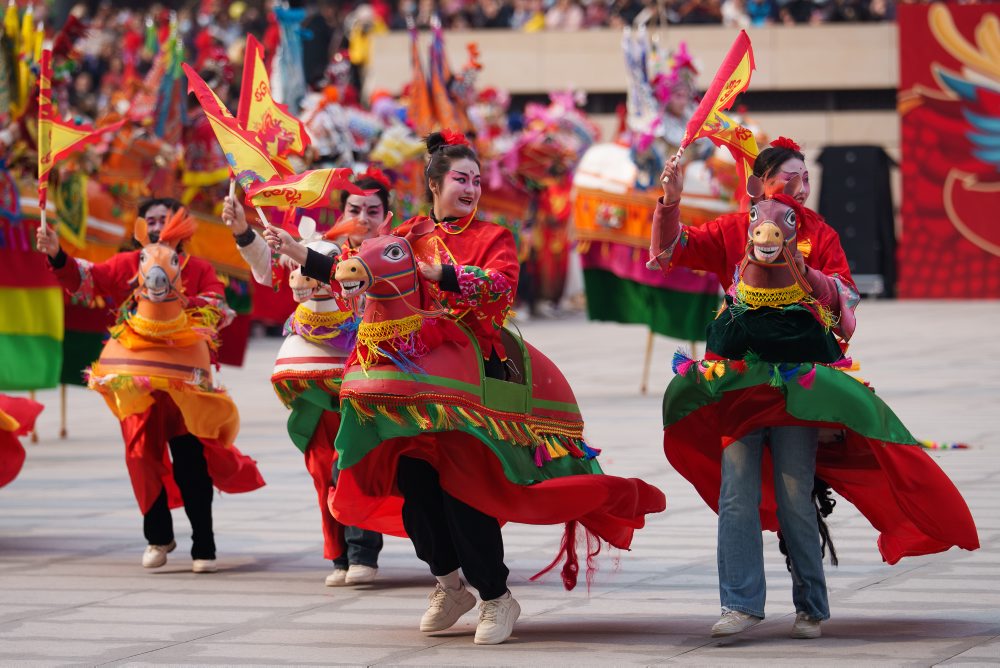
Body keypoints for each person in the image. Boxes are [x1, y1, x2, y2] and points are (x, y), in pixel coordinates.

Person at [265, 132, 523, 644]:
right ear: (434, 184)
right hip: (410, 380)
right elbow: (358, 271)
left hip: (469, 382)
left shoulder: (494, 236)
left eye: (476, 180)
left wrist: (445, 275)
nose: (470, 188)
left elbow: (502, 286)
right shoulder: (408, 233)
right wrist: (301, 253)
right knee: (416, 490)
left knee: (465, 490)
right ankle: (449, 584)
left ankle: (496, 597)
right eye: (460, 179)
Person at [650, 138, 858, 639]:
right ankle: (740, 605)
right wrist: (670, 202)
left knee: (793, 495)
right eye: (789, 178)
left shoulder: (819, 233)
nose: (800, 187)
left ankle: (811, 603)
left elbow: (847, 298)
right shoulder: (731, 229)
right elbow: (669, 252)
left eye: (805, 178)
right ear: (760, 185)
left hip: (795, 387)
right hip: (739, 383)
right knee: (736, 496)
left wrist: (806, 273)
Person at [37, 198, 263, 573]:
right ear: (141, 227)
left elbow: (217, 307)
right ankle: (158, 536)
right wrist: (58, 254)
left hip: (183, 382)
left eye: (166, 219)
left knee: (190, 459)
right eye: (152, 220)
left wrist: (176, 304)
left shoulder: (200, 268)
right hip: (137, 380)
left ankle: (203, 543)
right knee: (140, 454)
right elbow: (87, 279)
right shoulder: (127, 264)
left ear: (182, 225)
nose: (159, 226)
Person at [221, 171, 389, 587]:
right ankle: (338, 555)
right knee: (321, 464)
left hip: (362, 378)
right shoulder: (317, 248)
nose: (363, 217)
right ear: (342, 211)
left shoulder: (390, 254)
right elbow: (271, 269)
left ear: (387, 216)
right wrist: (244, 230)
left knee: (358, 458)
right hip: (312, 377)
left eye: (373, 210)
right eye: (355, 209)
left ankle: (363, 549)